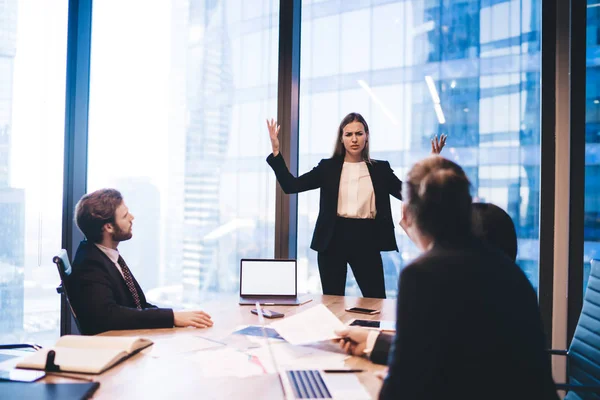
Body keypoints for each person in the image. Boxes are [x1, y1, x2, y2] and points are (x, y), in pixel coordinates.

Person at [337, 156, 557, 399]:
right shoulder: (508, 269)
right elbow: (459, 349)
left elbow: (399, 391)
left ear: (409, 215)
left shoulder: (422, 275)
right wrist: (371, 341)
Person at [266, 113, 446, 298]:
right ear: (341, 139)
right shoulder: (327, 168)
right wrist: (276, 152)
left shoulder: (380, 169)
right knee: (333, 303)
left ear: (366, 136)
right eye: (348, 134)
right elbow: (291, 186)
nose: (354, 139)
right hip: (332, 239)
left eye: (359, 134)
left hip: (367, 238)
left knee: (376, 300)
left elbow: (409, 194)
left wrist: (431, 163)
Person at [338, 201, 522, 364]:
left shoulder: (478, 300)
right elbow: (441, 350)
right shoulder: (506, 287)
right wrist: (371, 342)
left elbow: (442, 360)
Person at [68, 189, 213, 335]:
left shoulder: (106, 254)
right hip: (116, 345)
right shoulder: (90, 265)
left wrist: (176, 316)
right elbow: (108, 315)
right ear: (109, 227)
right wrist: (172, 317)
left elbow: (138, 306)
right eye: (125, 216)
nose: (132, 217)